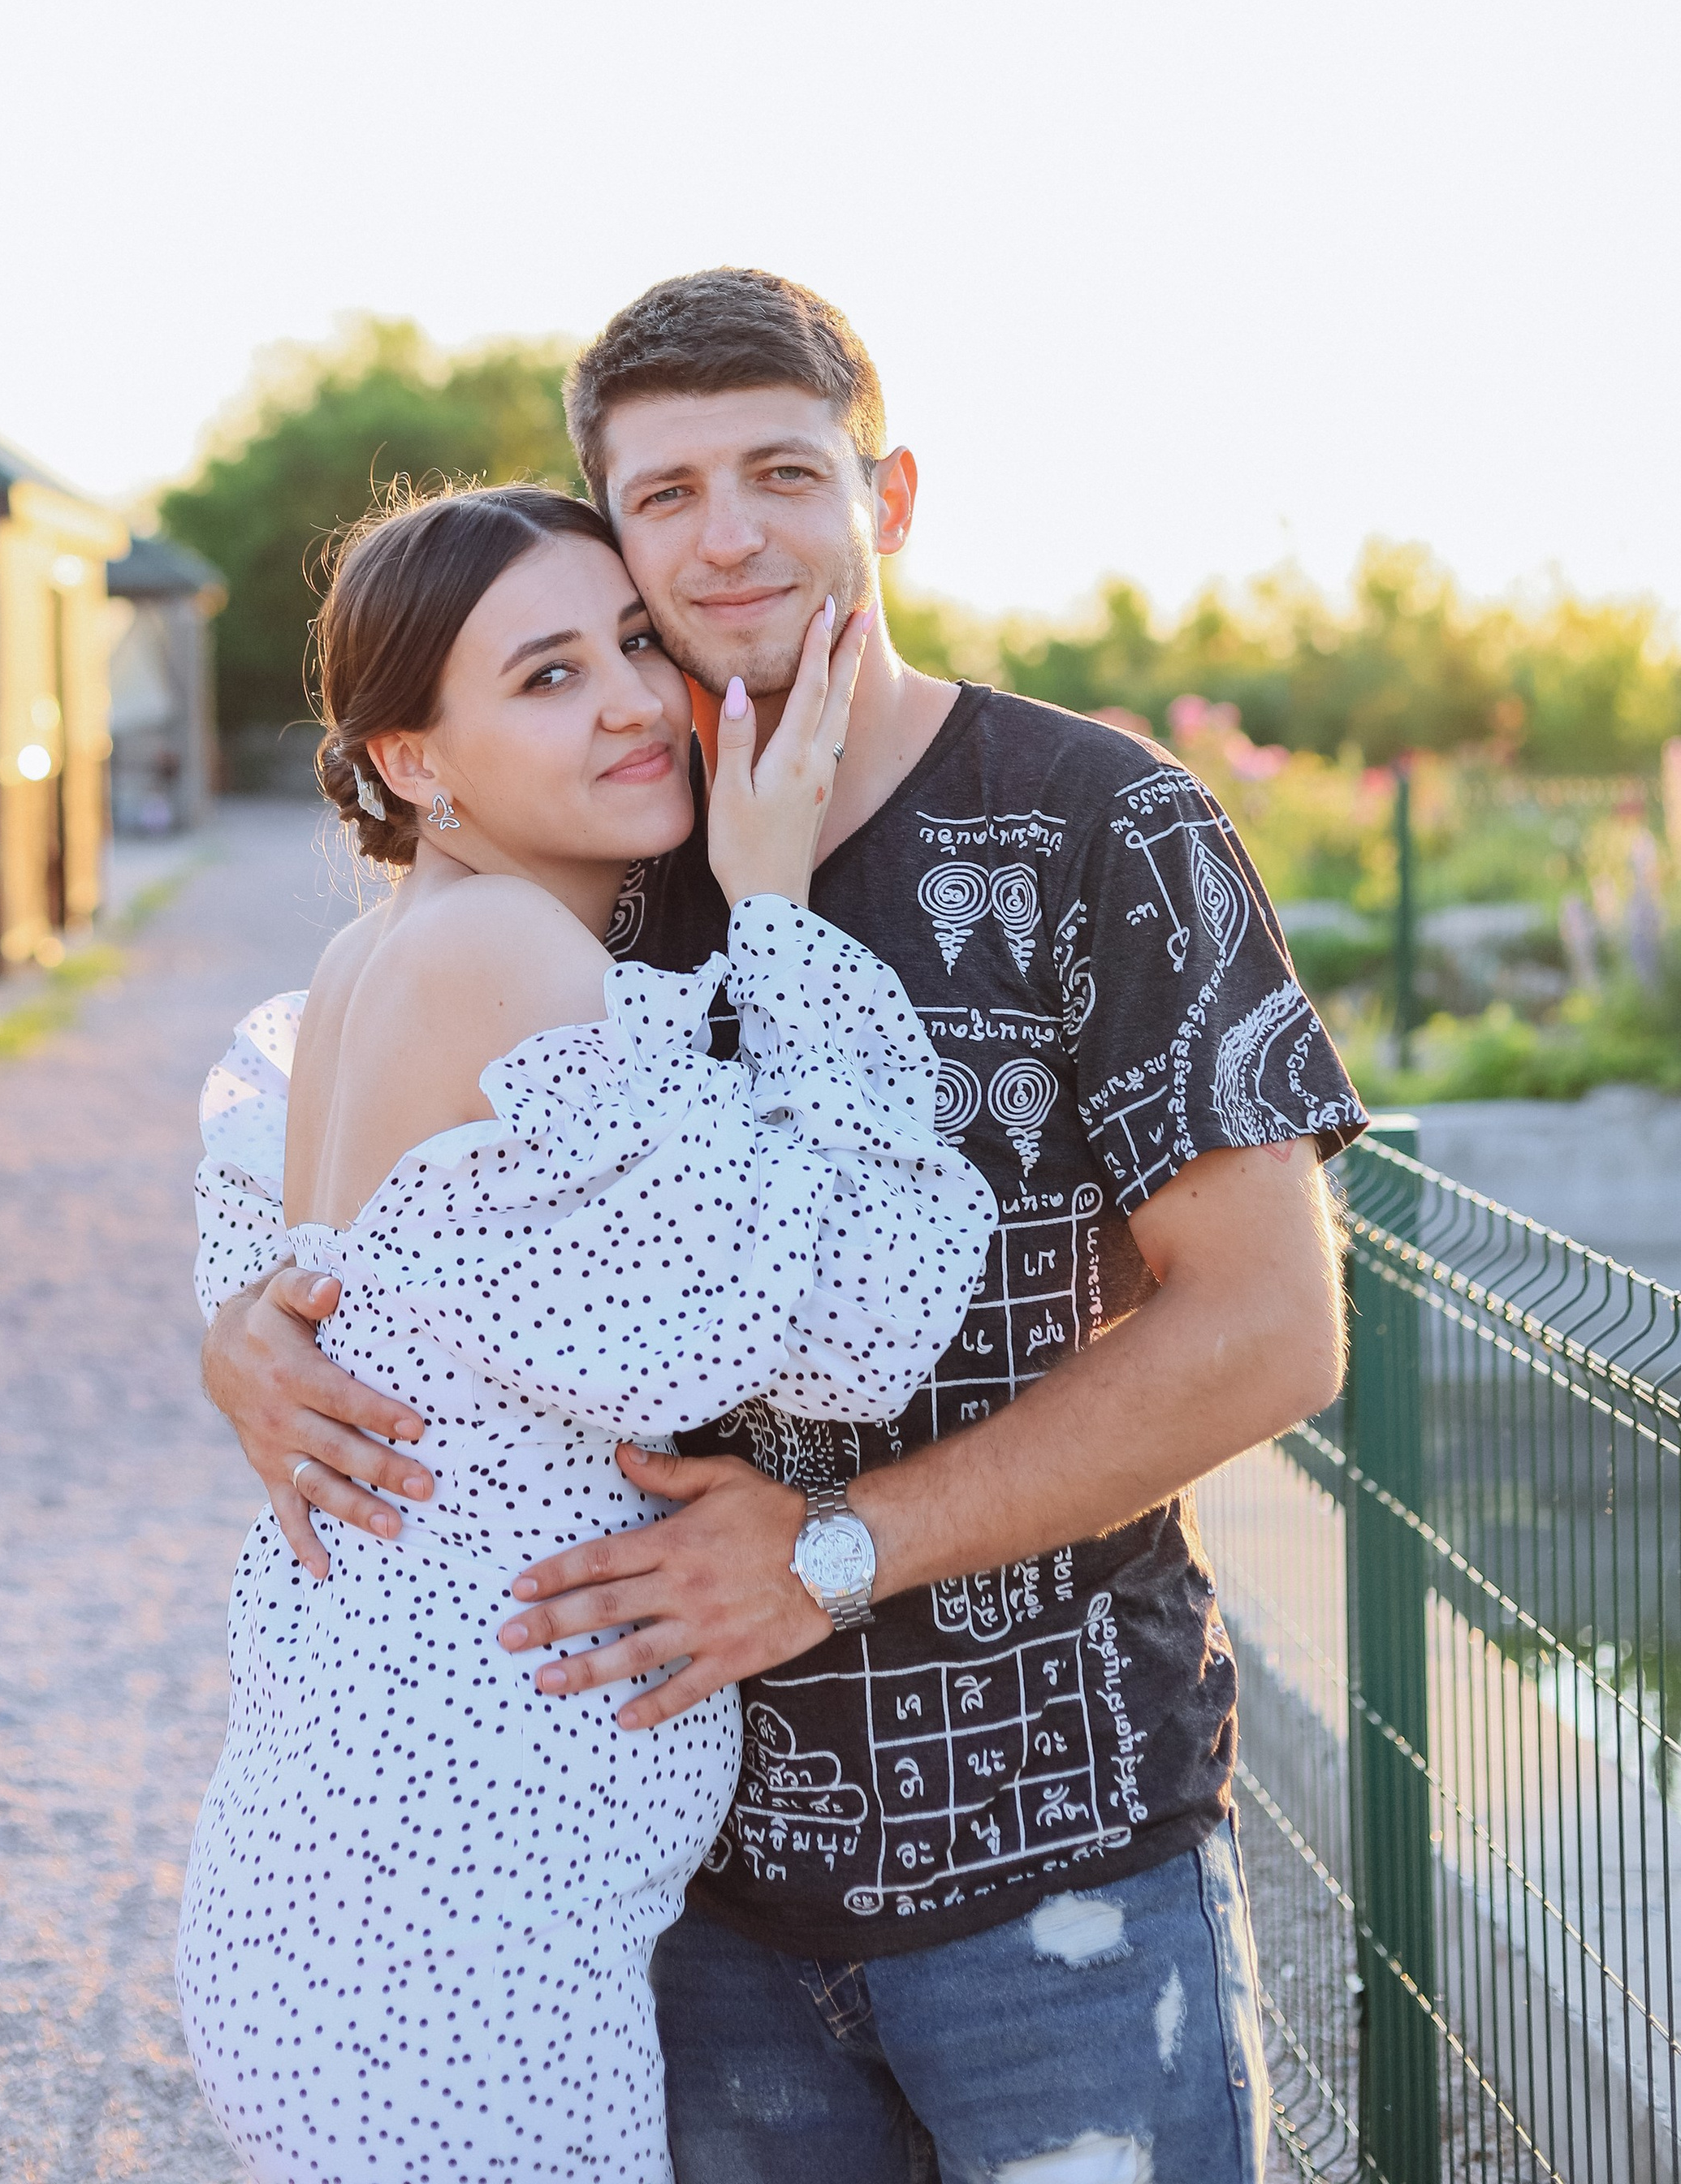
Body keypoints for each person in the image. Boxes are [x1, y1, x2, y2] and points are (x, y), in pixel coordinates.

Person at [202, 270, 1366, 2184]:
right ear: (615, 535)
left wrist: (828, 1551)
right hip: (684, 1901)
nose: (726, 534)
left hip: (1041, 1856)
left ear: (885, 497)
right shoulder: (606, 854)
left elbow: (1267, 1330)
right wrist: (249, 1317)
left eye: (779, 472)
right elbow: (373, 1169)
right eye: (662, 497)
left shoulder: (1098, 823)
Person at [181, 479, 999, 2184]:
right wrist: (770, 907)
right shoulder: (496, 952)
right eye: (545, 676)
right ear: (414, 761)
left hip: (385, 1864)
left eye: (632, 642)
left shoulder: (383, 955)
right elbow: (844, 1321)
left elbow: (284, 1269)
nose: (634, 698)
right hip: (443, 1917)